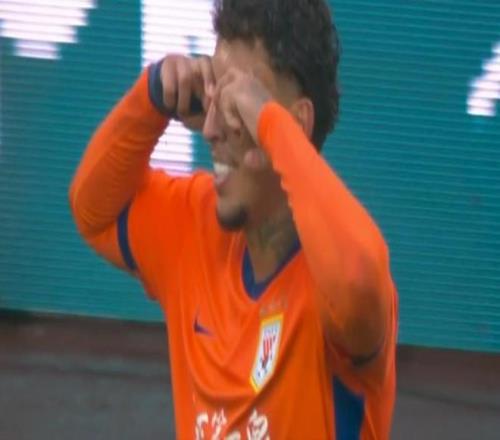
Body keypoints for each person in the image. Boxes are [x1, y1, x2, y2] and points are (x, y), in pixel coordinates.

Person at [69, 0, 398, 438]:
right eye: (216, 96)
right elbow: (93, 212)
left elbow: (356, 277)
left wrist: (268, 124)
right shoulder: (195, 225)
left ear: (294, 124)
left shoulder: (332, 278)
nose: (210, 129)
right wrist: (151, 97)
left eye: (239, 103)